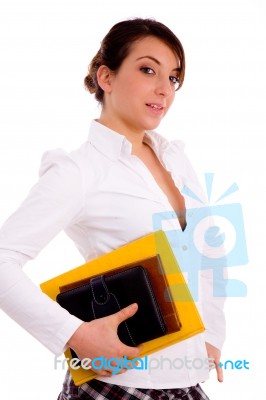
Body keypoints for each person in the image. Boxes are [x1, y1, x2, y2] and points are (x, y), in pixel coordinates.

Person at [0, 18, 226, 400]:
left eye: (173, 77)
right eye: (147, 69)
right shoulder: (79, 170)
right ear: (106, 77)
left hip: (186, 382)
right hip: (118, 383)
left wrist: (212, 337)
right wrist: (75, 335)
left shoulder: (176, 159)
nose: (163, 89)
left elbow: (209, 252)